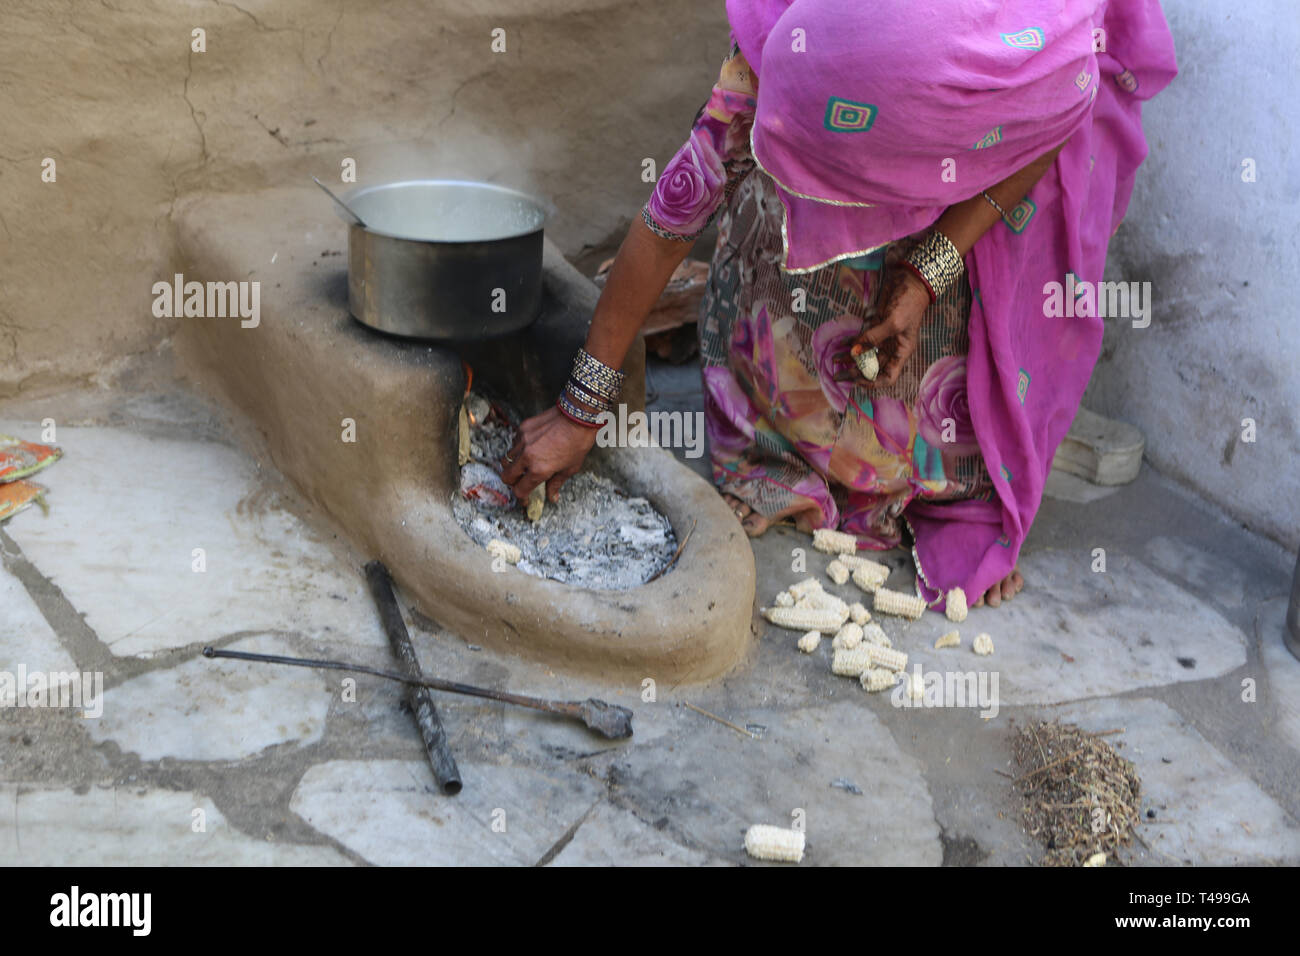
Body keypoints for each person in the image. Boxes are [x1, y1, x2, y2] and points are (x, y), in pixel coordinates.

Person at [501, 0, 1176, 612]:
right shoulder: (782, 57)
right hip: (838, 103)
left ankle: (967, 458)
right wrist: (579, 409)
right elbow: (675, 213)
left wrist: (925, 269)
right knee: (773, 210)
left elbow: (1052, 127)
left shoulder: (1047, 57)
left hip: (996, 147)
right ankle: (791, 433)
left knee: (1040, 214)